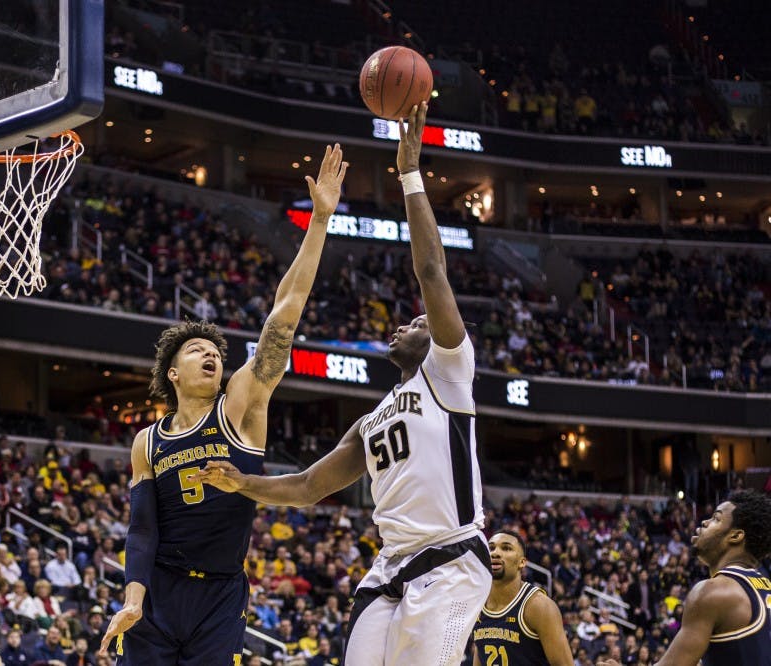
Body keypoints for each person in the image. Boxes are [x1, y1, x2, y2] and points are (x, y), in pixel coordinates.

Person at [195, 103, 491, 666]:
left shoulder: (450, 375)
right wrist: (242, 483)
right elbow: (308, 486)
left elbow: (431, 272)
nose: (409, 323)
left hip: (452, 560)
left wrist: (409, 173)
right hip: (391, 565)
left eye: (420, 323)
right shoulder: (370, 419)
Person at [100, 144, 349, 665]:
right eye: (197, 351)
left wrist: (319, 220)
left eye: (216, 352)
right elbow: (143, 527)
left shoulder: (239, 404)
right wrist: (132, 599)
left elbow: (284, 314)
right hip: (160, 590)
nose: (210, 356)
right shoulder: (148, 440)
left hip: (220, 594)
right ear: (173, 372)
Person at [597, 489, 771, 666]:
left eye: (716, 519)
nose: (704, 522)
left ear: (735, 536)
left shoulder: (712, 591)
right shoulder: (764, 588)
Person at [472, 532, 572, 665]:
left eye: (506, 548)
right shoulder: (478, 605)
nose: (495, 553)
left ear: (522, 562)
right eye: (491, 548)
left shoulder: (539, 606)